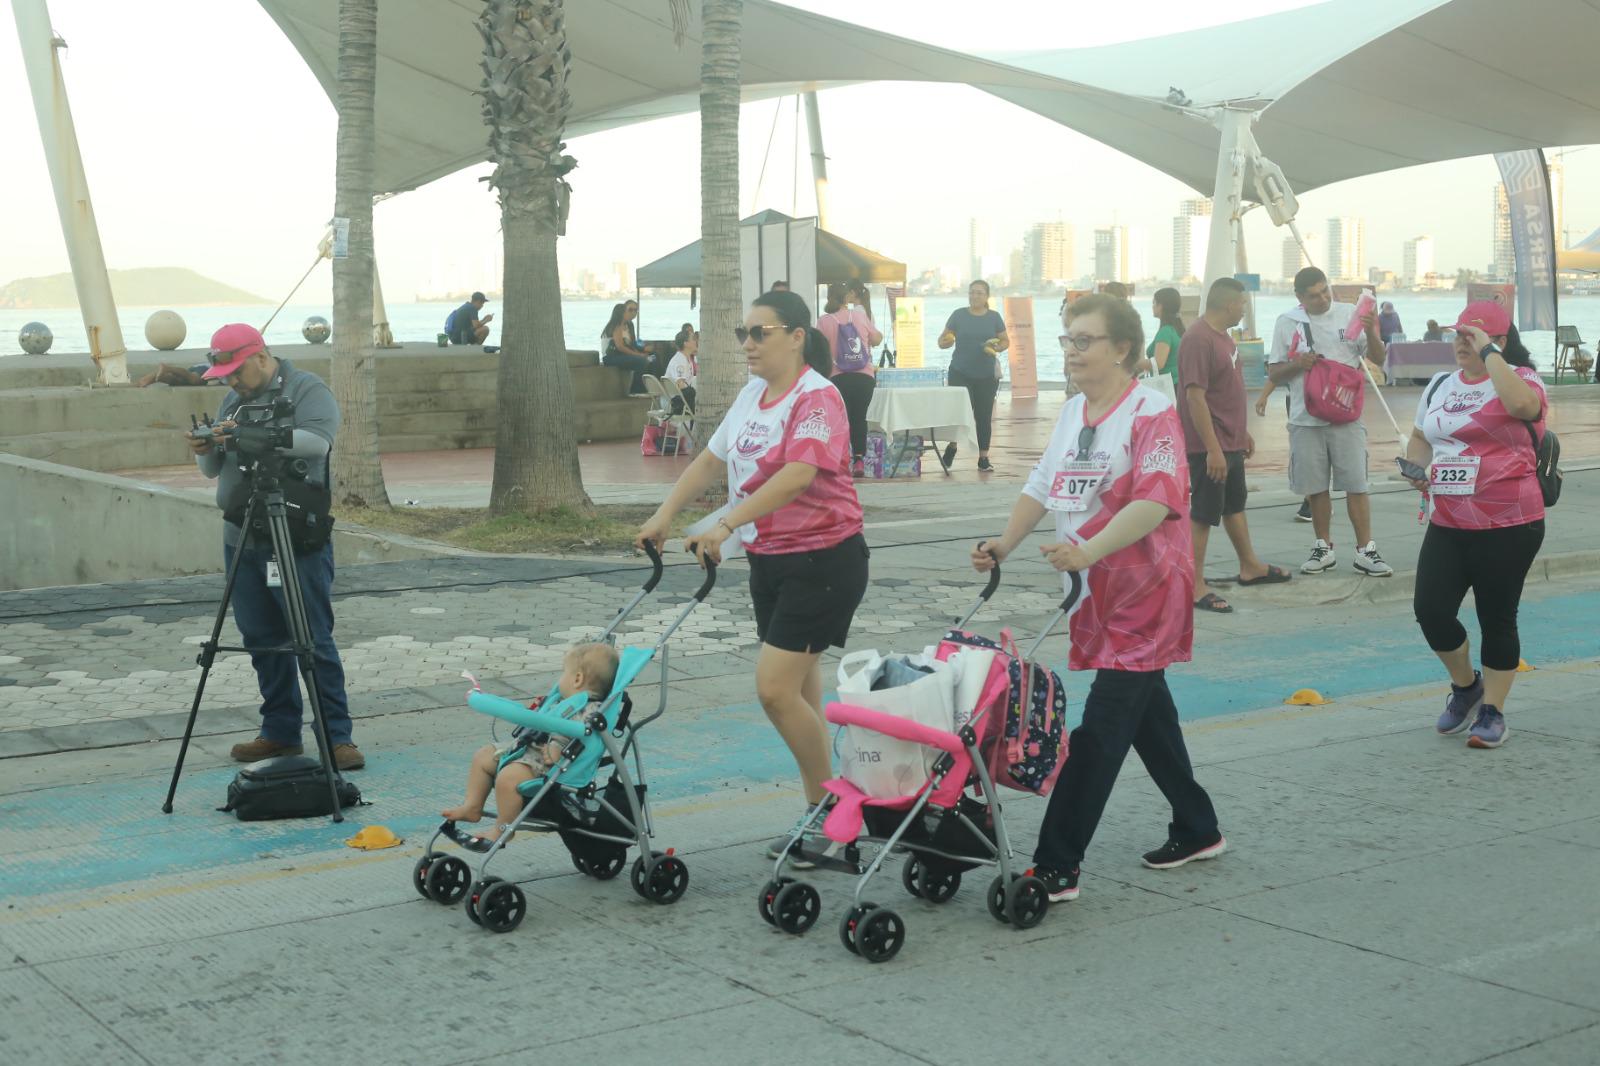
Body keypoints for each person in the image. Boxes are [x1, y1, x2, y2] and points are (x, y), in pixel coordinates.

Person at [973, 294, 1223, 904]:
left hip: (1146, 594)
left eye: (1084, 340)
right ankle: (1197, 826)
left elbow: (1157, 498)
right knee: (1147, 715)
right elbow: (1042, 483)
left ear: (1122, 349)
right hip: (1090, 593)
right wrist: (1004, 543)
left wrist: (1089, 550)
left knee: (1101, 729)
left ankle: (1057, 864)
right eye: (1068, 340)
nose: (1072, 351)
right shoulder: (1074, 413)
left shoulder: (1151, 412)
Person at [636, 289, 868, 871]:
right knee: (800, 685)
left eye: (759, 332)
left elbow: (796, 476)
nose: (747, 344)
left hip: (826, 559)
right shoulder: (751, 395)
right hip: (772, 559)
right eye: (744, 333)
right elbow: (711, 460)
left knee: (773, 689)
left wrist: (726, 524)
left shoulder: (820, 397)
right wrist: (667, 515)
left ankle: (835, 816)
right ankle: (824, 810)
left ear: (795, 335)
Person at [184, 324, 363, 771]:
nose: (231, 382)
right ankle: (280, 733)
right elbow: (211, 471)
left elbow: (319, 443)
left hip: (293, 533)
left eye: (236, 372)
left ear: (260, 357)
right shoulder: (235, 400)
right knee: (261, 638)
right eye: (224, 375)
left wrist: (249, 435)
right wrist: (207, 444)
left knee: (311, 637)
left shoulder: (306, 389)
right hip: (241, 534)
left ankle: (336, 737)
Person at [1403, 301, 1547, 750]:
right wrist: (1415, 467)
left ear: (1499, 342)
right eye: (1458, 335)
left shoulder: (1522, 380)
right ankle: (1467, 686)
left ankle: (1494, 711)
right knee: (1430, 609)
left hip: (1510, 520)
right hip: (1449, 517)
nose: (1460, 343)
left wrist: (1490, 356)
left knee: (1497, 617)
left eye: (1472, 336)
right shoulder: (1441, 384)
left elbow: (1524, 407)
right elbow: (1422, 437)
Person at [1267, 268, 1393, 576]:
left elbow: (1377, 357)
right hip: (1304, 417)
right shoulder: (1288, 322)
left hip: (1346, 416)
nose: (1322, 298)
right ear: (1299, 297)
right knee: (1316, 487)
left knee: (1356, 484)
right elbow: (1273, 372)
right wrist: (1298, 363)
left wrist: (1372, 331)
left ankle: (1366, 550)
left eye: (1325, 291)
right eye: (1314, 295)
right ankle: (1323, 547)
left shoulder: (1350, 313)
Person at [1179, 279, 1292, 614]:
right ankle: (1194, 584)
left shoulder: (1224, 338)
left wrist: (1240, 433)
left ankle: (1250, 566)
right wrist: (1212, 448)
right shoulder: (1198, 339)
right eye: (1242, 303)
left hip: (1229, 439)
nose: (1245, 308)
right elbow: (1194, 397)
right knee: (1203, 512)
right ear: (1228, 304)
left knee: (1233, 504)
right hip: (1208, 444)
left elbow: (1225, 390)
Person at [441, 643, 619, 843]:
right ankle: (472, 806)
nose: (561, 679)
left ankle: (503, 829)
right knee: (483, 756)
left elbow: (575, 731)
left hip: (548, 764)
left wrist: (556, 747)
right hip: (527, 750)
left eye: (564, 673)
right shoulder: (563, 700)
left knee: (507, 779)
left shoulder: (589, 709)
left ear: (577, 679)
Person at [938, 279, 1008, 471]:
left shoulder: (994, 317)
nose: (974, 296)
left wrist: (996, 347)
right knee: (959, 413)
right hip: (960, 372)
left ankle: (983, 458)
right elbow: (942, 340)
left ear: (987, 296)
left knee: (983, 416)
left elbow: (1005, 341)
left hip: (986, 375)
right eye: (971, 292)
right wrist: (946, 342)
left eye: (978, 293)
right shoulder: (958, 315)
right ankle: (953, 446)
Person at [817, 281, 884, 474]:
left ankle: (840, 459)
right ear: (847, 298)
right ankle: (859, 460)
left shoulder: (824, 321)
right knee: (859, 418)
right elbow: (877, 338)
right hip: (865, 377)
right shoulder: (859, 316)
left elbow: (818, 349)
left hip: (838, 377)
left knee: (840, 419)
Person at [601, 300, 657, 395]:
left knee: (653, 358)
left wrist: (644, 350)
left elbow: (631, 344)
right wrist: (639, 355)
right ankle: (636, 390)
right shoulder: (616, 326)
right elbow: (620, 347)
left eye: (635, 310)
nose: (632, 313)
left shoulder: (629, 325)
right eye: (629, 310)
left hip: (622, 355)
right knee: (641, 361)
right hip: (611, 357)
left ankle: (654, 387)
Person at [1143, 286, 1184, 387]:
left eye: (1154, 303)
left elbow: (1158, 364)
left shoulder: (1165, 331)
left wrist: (1131, 363)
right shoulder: (1179, 329)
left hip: (1167, 386)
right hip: (1178, 383)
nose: (1152, 306)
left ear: (1160, 306)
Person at [664, 330, 698, 414]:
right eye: (693, 339)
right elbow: (680, 385)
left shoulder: (687, 359)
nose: (696, 341)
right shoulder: (679, 360)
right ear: (685, 343)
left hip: (679, 399)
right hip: (676, 402)